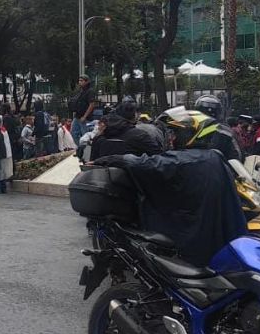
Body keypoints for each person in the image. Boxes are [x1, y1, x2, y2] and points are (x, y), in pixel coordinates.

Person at [94, 112, 248, 267]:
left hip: (193, 239)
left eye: (176, 133)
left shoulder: (189, 160)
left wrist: (116, 159)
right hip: (212, 234)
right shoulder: (213, 156)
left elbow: (151, 164)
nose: (172, 138)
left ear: (191, 134)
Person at [70, 75, 97, 144]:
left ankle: (85, 151)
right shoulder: (81, 91)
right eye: (79, 81)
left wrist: (85, 116)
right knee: (73, 133)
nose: (80, 82)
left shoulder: (90, 91)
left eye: (81, 81)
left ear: (87, 81)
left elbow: (92, 104)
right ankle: (80, 149)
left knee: (85, 136)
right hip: (77, 116)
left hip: (85, 118)